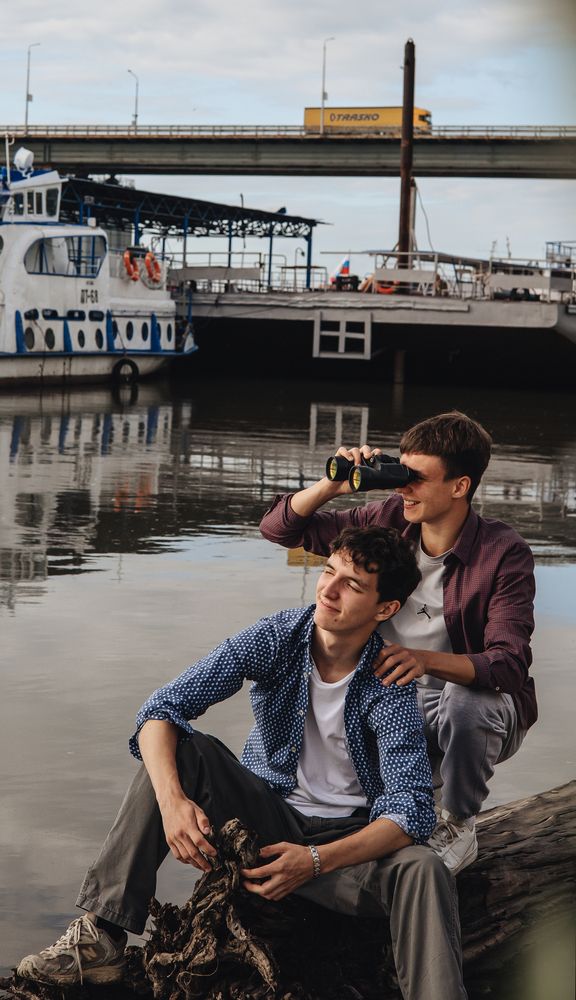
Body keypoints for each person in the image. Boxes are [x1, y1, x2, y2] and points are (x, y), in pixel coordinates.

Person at [17, 527, 467, 1000]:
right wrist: (172, 805)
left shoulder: (389, 680)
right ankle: (101, 937)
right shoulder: (277, 637)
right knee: (184, 749)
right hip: (263, 823)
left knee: (424, 868)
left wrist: (314, 861)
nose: (328, 590)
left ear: (385, 609)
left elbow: (410, 811)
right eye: (329, 571)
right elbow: (160, 710)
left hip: (345, 847)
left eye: (351, 585)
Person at [260, 411, 536, 876]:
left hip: (467, 711)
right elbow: (278, 529)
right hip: (390, 701)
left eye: (417, 479)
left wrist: (423, 660)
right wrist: (333, 485)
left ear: (460, 486)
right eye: (401, 473)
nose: (403, 488)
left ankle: (459, 822)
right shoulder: (388, 520)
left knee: (467, 702)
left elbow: (508, 665)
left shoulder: (503, 553)